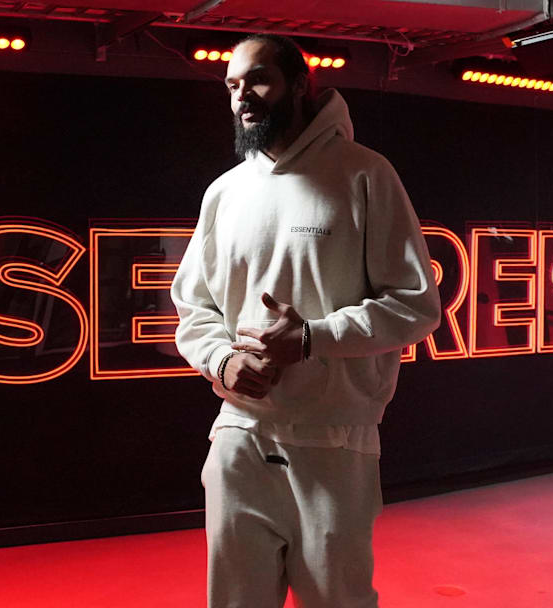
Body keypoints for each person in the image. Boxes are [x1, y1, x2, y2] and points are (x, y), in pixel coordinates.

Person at [170, 33, 442, 608]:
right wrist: (223, 359)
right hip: (239, 435)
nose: (244, 95)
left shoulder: (365, 175)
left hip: (335, 440)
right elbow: (192, 309)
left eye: (258, 80)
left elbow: (417, 306)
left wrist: (314, 337)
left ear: (300, 85)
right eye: (233, 85)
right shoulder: (224, 193)